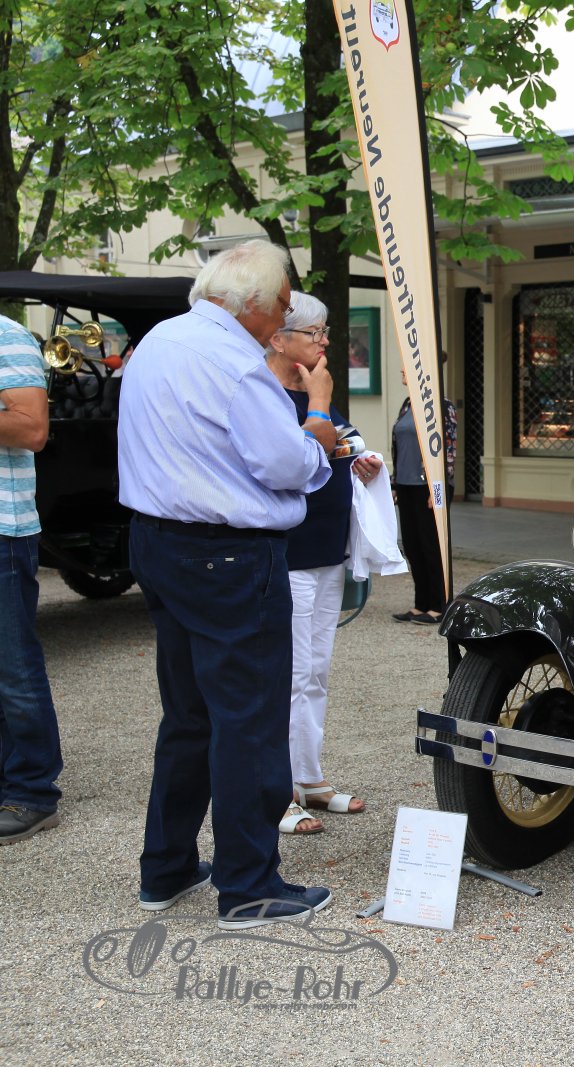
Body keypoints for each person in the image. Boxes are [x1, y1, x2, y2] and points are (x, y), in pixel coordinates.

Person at [118, 240, 338, 929]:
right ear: (252, 303)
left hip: (157, 540)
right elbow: (287, 464)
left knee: (188, 715)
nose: (284, 318)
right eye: (282, 305)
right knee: (248, 720)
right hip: (229, 553)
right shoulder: (237, 362)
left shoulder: (159, 340)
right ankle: (247, 885)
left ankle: (167, 867)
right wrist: (317, 423)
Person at [265, 293, 384, 835]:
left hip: (327, 553)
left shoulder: (317, 390)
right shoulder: (269, 394)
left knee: (315, 672)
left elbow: (345, 444)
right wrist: (319, 403)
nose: (325, 341)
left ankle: (308, 777)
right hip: (287, 555)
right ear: (279, 338)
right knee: (284, 675)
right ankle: (276, 790)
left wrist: (362, 462)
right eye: (314, 333)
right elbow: (294, 459)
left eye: (325, 331)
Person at [0, 314, 64, 846]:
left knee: (13, 668)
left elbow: (31, 429)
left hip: (2, 529)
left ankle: (32, 791)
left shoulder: (7, 337)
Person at [390, 354, 457, 625]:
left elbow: (448, 449)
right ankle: (421, 604)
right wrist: (395, 483)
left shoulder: (442, 405)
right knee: (412, 545)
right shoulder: (407, 404)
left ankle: (440, 605)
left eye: (406, 368)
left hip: (429, 488)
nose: (402, 371)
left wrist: (438, 488)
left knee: (431, 546)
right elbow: (399, 447)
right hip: (406, 485)